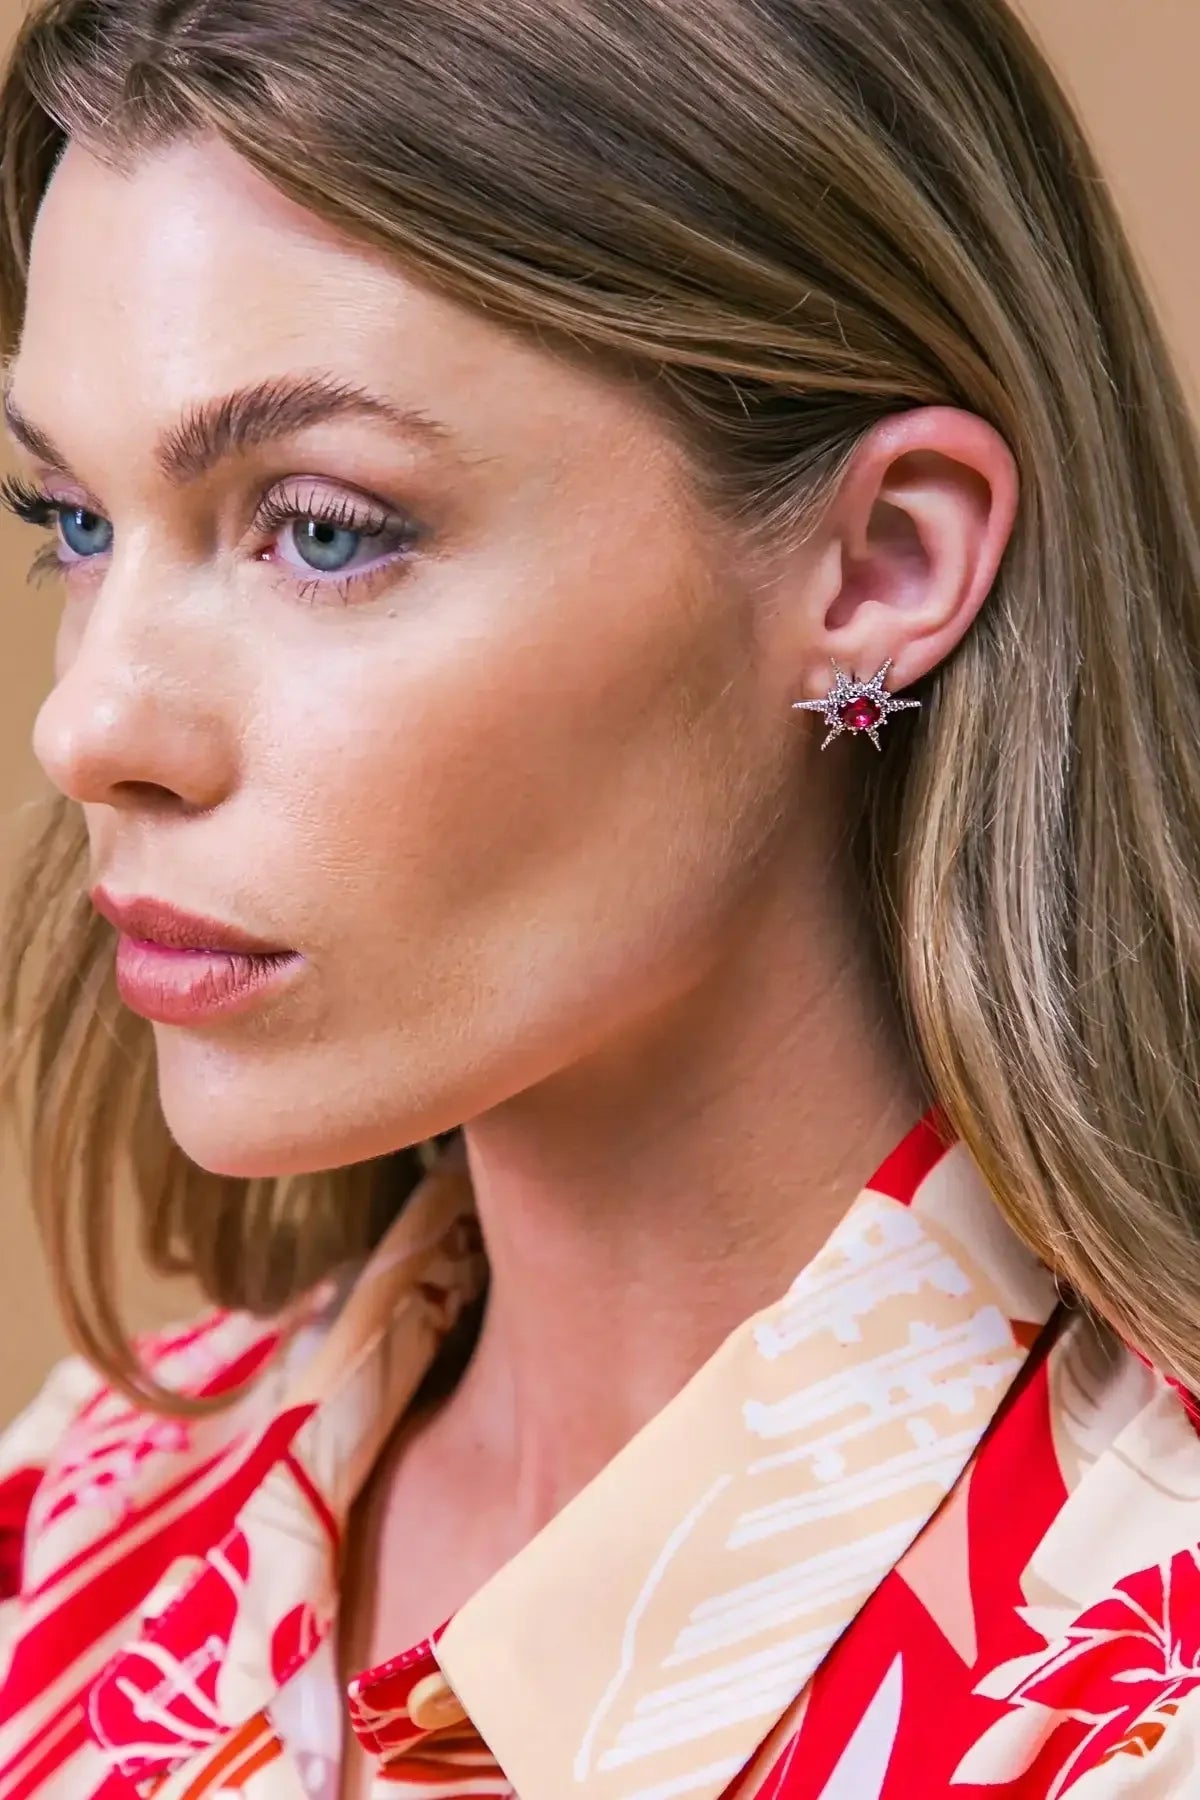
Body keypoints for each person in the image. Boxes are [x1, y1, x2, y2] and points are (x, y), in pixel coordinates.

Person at [0, 0, 1198, 1794]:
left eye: (325, 528)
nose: (86, 727)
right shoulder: (77, 1511)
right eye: (74, 521)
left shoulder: (1138, 1688)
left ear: (884, 560)